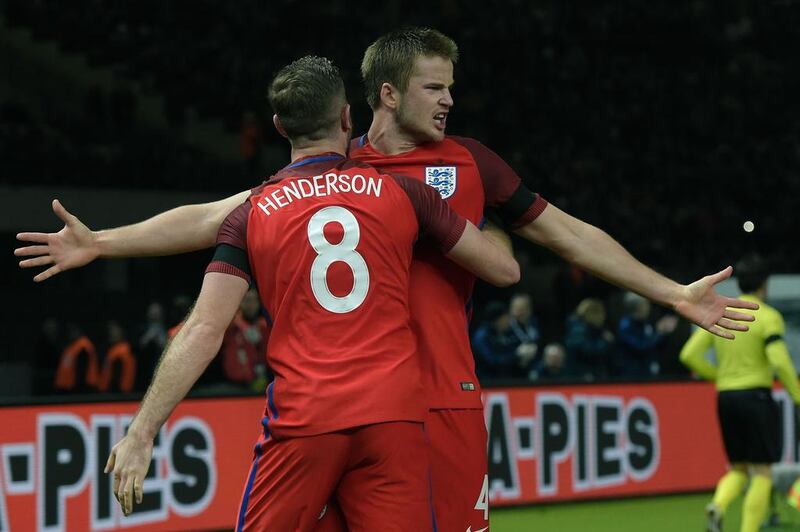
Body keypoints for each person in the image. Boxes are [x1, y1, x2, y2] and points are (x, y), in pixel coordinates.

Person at [16, 27, 759, 529]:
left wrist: (670, 291)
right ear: (385, 97)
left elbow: (567, 236)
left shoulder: (470, 162)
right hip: (377, 410)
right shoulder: (348, 173)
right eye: (435, 87)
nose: (449, 100)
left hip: (447, 401)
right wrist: (103, 243)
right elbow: (213, 215)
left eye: (450, 88)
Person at [102, 56, 519, 530]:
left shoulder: (255, 210)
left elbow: (203, 328)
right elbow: (502, 270)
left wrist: (142, 432)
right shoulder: (403, 193)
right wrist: (496, 229)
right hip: (393, 420)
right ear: (347, 118)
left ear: (279, 126)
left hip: (306, 421)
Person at [679, 255, 800, 532]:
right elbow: (780, 361)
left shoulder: (724, 313)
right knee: (763, 471)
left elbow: (689, 355)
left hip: (727, 398)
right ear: (765, 285)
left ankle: (718, 506)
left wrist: (720, 377)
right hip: (756, 397)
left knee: (738, 468)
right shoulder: (768, 317)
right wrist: (797, 395)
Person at [616, 291, 678, 378]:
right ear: (638, 307)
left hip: (650, 372)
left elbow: (657, 348)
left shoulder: (646, 323)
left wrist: (665, 332)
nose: (649, 307)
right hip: (633, 376)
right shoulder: (626, 326)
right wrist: (659, 333)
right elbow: (640, 347)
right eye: (646, 304)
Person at [472, 300, 535, 379]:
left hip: (505, 379)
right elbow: (492, 362)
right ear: (498, 320)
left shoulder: (506, 333)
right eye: (507, 317)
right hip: (485, 380)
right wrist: (516, 355)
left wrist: (523, 356)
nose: (509, 321)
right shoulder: (482, 336)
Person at [221, 288, 270, 388]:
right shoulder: (230, 325)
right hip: (232, 388)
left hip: (259, 385)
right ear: (240, 302)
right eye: (247, 300)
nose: (251, 305)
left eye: (254, 300)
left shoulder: (265, 327)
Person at [564, 298, 616, 380]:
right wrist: (606, 342)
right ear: (590, 313)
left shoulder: (596, 329)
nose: (603, 316)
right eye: (600, 313)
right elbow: (588, 351)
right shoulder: (577, 330)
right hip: (581, 376)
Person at [54, 323, 99, 394]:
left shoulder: (83, 346)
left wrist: (78, 388)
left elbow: (82, 370)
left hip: (80, 389)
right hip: (67, 388)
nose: (70, 333)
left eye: (73, 330)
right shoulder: (72, 346)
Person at [98, 321, 136, 393]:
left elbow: (116, 378)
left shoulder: (123, 350)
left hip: (118, 395)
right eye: (110, 330)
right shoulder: (114, 349)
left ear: (122, 332)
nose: (111, 333)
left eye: (114, 330)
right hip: (111, 394)